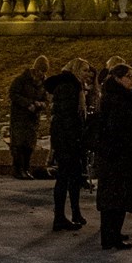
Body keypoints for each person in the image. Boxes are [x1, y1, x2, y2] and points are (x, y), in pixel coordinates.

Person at [88, 64, 132, 250]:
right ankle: (110, 236)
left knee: (117, 197)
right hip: (116, 156)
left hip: (118, 155)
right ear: (117, 78)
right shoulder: (116, 100)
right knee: (114, 198)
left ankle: (113, 233)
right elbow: (116, 129)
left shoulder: (123, 98)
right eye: (128, 76)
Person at [44, 59, 90, 231]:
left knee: (73, 176)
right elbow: (66, 116)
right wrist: (75, 136)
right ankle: (60, 216)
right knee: (65, 177)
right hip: (67, 139)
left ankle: (74, 212)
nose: (88, 74)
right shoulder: (69, 87)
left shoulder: (73, 86)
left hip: (68, 138)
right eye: (84, 70)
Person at [7, 57, 49, 179]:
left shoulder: (44, 83)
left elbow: (46, 99)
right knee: (19, 143)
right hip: (19, 116)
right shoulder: (21, 80)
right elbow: (13, 94)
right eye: (40, 70)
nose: (41, 74)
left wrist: (41, 104)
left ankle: (26, 168)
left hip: (33, 117)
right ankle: (18, 169)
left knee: (29, 144)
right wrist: (28, 103)